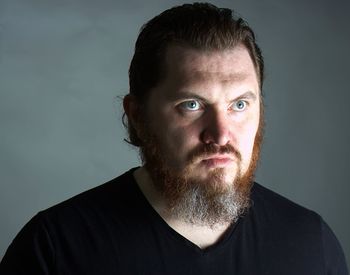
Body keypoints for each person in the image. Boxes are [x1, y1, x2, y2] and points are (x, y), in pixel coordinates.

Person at [0, 2, 348, 274]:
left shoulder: (310, 243)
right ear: (137, 115)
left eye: (239, 104)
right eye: (192, 105)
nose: (221, 133)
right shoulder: (56, 248)